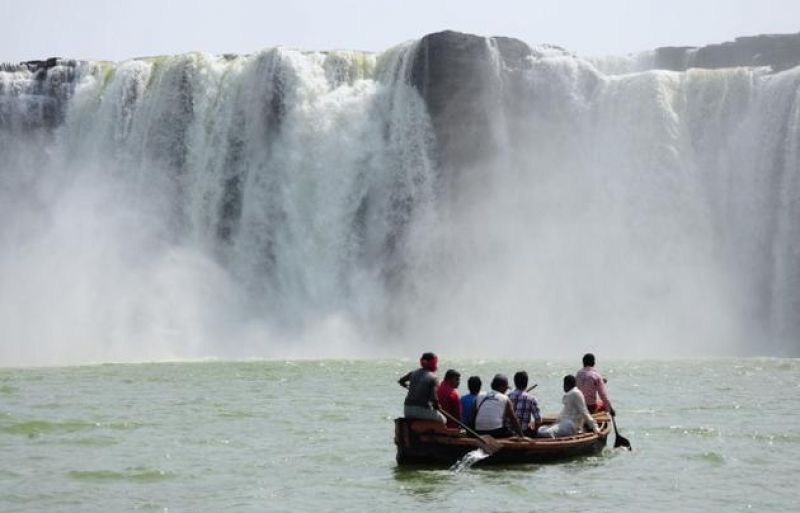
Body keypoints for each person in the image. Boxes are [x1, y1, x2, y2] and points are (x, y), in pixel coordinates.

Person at [398, 352, 446, 423]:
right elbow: (433, 397)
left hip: (407, 410)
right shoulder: (434, 377)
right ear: (433, 363)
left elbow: (401, 381)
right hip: (422, 410)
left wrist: (409, 387)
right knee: (444, 420)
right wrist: (437, 405)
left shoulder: (413, 373)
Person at [473, 374, 524, 438]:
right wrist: (522, 436)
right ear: (501, 387)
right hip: (496, 432)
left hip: (478, 431)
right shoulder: (505, 398)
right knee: (513, 434)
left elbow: (474, 414)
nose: (506, 390)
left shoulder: (480, 395)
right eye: (506, 388)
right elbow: (513, 419)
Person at [507, 371, 542, 436]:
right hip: (524, 432)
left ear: (515, 382)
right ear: (526, 383)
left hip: (508, 432)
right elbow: (538, 420)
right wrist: (534, 432)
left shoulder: (506, 397)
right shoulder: (531, 398)